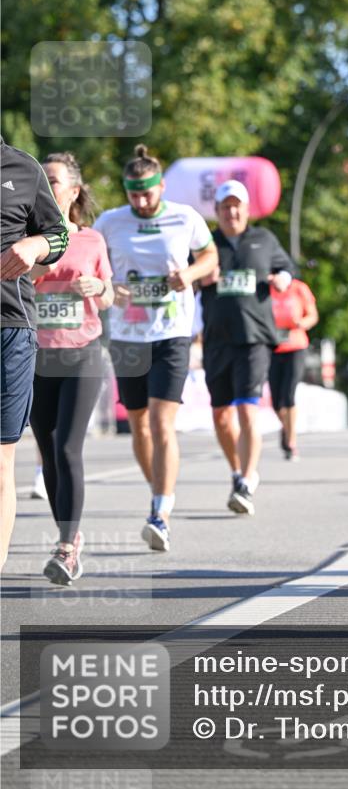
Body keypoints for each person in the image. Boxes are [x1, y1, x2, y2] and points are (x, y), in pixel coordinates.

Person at [94, 145, 217, 552]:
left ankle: (160, 512)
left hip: (171, 333)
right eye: (134, 195)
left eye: (147, 194)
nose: (141, 202)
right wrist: (111, 288)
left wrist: (190, 273)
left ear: (161, 186)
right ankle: (158, 489)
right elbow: (96, 272)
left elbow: (210, 256)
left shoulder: (185, 217)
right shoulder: (110, 222)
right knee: (139, 424)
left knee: (163, 424)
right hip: (128, 335)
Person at [30, 153, 114, 585]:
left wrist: (98, 286)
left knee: (67, 447)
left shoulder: (92, 240)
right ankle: (69, 539)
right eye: (41, 180)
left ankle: (66, 546)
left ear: (74, 191)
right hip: (37, 356)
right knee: (47, 451)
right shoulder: (26, 236)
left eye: (54, 180)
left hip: (81, 352)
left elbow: (109, 295)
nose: (46, 186)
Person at [200, 180, 295, 515]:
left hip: (255, 337)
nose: (232, 212)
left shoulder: (264, 239)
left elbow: (286, 267)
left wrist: (283, 277)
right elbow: (185, 275)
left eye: (237, 205)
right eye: (226, 206)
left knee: (247, 409)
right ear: (218, 211)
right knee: (222, 416)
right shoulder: (206, 243)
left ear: (247, 209)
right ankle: (238, 471)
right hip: (217, 339)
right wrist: (201, 278)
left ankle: (245, 480)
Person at [0, 136, 69, 569]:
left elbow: (59, 234)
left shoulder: (22, 168)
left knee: (0, 456)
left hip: (9, 330)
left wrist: (34, 246)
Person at [269, 277, 319, 460]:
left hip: (296, 346)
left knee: (289, 393)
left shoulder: (299, 288)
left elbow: (313, 315)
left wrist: (301, 323)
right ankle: (287, 426)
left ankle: (291, 442)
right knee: (276, 401)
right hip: (272, 347)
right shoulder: (266, 289)